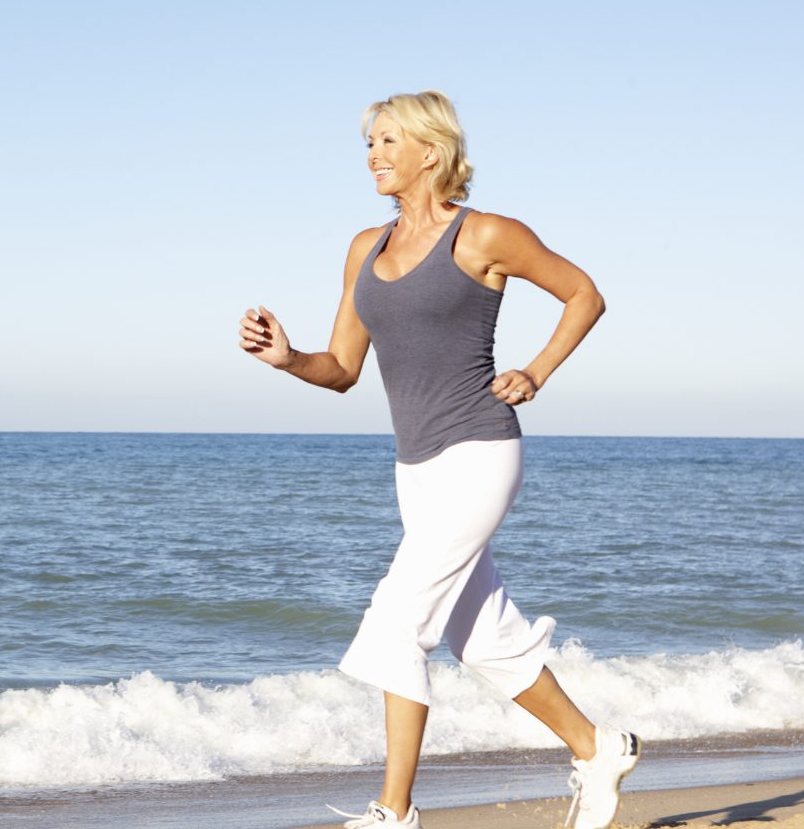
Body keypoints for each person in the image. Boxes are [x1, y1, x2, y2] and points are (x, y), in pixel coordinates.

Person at [236, 90, 640, 829]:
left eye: (389, 141)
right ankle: (597, 745)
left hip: (480, 449)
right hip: (415, 467)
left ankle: (394, 813)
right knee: (480, 639)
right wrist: (289, 358)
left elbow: (584, 294)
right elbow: (343, 369)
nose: (374, 156)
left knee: (396, 626)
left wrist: (537, 371)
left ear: (431, 149)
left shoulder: (484, 234)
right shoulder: (367, 247)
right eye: (368, 144)